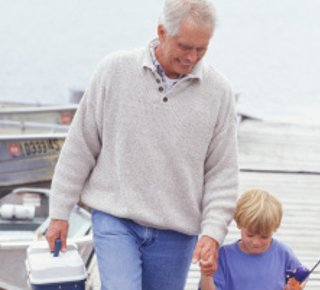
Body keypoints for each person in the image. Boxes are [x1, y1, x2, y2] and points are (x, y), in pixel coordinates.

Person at [45, 0, 239, 289]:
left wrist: (212, 233)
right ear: (161, 32)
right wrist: (59, 212)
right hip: (116, 218)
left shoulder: (219, 92)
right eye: (185, 46)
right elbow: (80, 146)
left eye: (201, 49)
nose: (192, 57)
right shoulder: (114, 71)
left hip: (177, 231)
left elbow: (222, 173)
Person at [199, 189, 303, 290]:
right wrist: (206, 274)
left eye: (264, 236)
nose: (256, 242)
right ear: (239, 224)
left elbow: (301, 278)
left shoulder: (284, 254)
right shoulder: (223, 256)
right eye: (250, 235)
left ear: (274, 228)